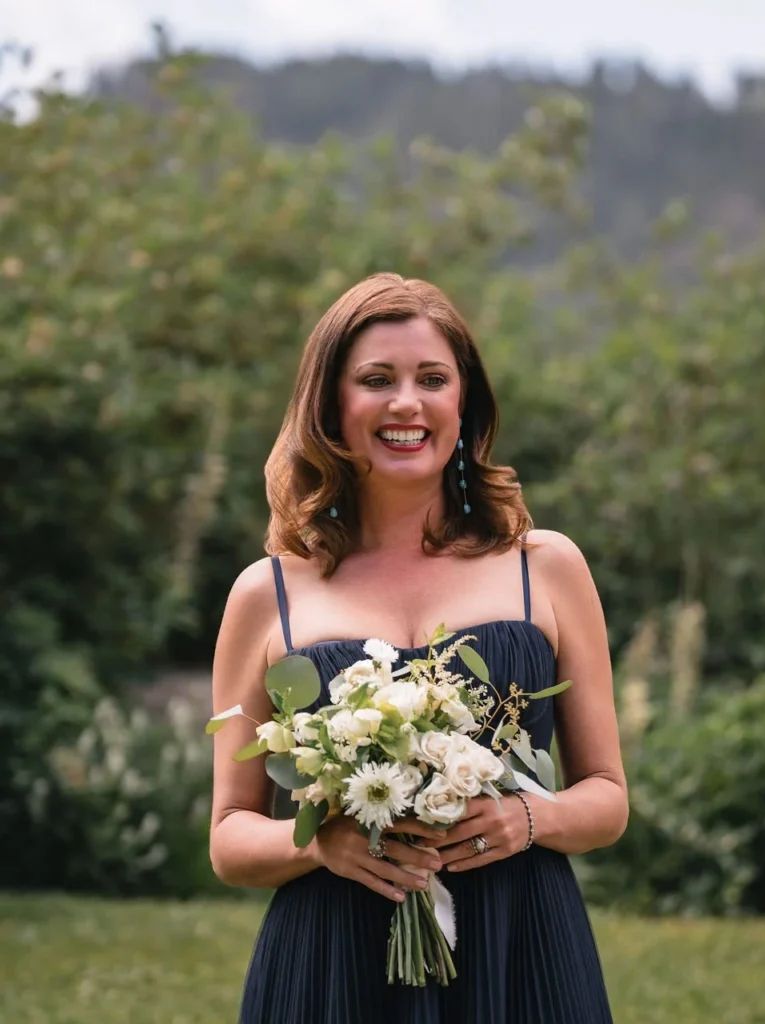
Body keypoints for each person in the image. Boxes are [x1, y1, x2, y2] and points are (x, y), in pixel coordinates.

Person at [209, 272, 627, 1023]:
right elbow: (230, 839)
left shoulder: (547, 569)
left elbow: (606, 798)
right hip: (333, 956)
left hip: (518, 946)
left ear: (462, 405)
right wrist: (320, 845)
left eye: (431, 378)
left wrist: (528, 819)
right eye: (376, 380)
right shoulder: (266, 593)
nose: (407, 402)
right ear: (333, 407)